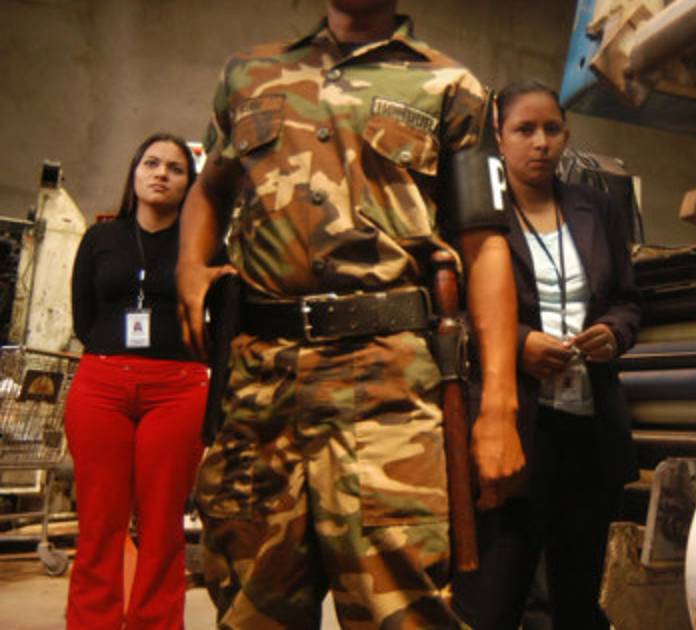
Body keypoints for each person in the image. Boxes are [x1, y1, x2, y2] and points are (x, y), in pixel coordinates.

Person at [175, 2, 524, 627]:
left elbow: (485, 245)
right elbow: (210, 188)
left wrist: (499, 406)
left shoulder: (452, 87)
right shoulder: (248, 74)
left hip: (387, 387)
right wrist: (189, 267)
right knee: (250, 606)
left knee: (403, 607)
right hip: (260, 388)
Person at [450, 80, 640, 630]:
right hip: (512, 428)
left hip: (588, 432)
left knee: (577, 603)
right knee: (493, 599)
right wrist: (518, 344)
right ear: (498, 136)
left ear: (567, 135)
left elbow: (628, 300)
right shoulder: (477, 214)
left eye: (552, 129)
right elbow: (452, 313)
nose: (541, 143)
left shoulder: (597, 209)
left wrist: (612, 332)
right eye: (524, 130)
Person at [65, 132, 206, 629]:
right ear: (135, 172)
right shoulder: (99, 239)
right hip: (100, 386)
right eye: (151, 163)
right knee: (98, 523)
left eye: (175, 168)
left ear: (189, 185)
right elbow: (83, 316)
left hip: (178, 389)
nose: (161, 173)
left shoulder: (203, 246)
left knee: (162, 524)